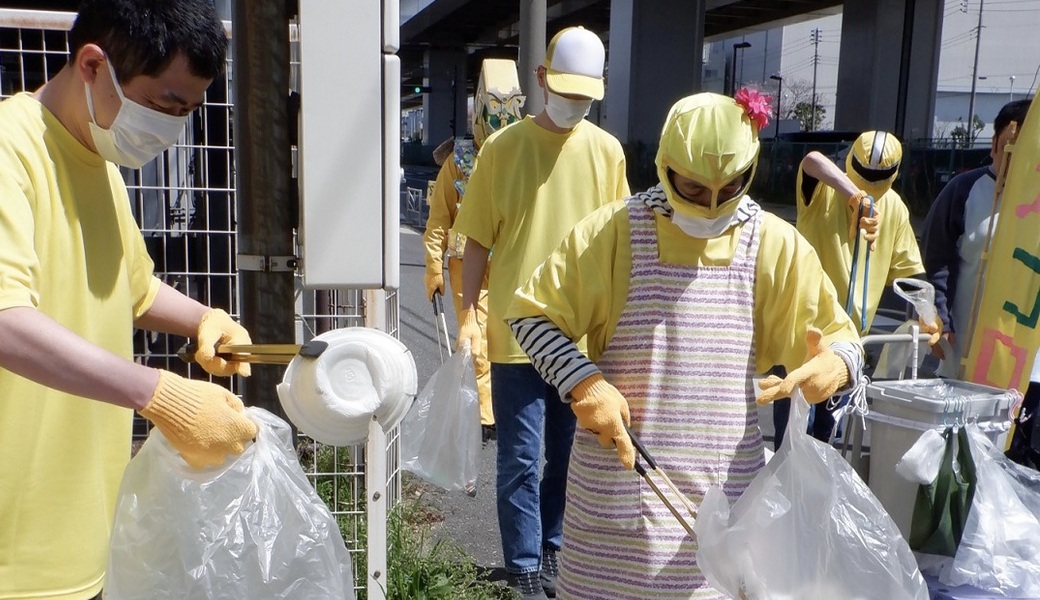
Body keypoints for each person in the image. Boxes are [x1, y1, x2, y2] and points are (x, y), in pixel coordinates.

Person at [504, 91, 864, 599]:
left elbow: (844, 338)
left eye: (730, 187)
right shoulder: (613, 231)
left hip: (722, 511)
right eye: (693, 188)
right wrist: (583, 381)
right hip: (617, 502)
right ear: (664, 166)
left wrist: (837, 363)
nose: (711, 203)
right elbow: (530, 313)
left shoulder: (774, 245)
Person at [0, 2, 257, 599]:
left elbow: (133, 290)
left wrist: (204, 318)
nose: (172, 128)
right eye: (167, 106)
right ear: (93, 64)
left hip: (80, 527)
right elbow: (6, 322)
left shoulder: (98, 159)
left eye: (188, 112)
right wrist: (160, 394)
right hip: (14, 550)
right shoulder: (10, 149)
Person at [453, 26, 630, 600]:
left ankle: (555, 551)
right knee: (522, 460)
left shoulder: (607, 152)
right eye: (565, 89)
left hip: (577, 339)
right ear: (540, 79)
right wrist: (467, 316)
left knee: (569, 459)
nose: (574, 103)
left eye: (585, 95)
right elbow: (476, 240)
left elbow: (621, 243)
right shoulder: (503, 150)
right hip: (514, 335)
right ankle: (524, 565)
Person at [774, 130, 940, 447]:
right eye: (862, 174)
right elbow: (812, 161)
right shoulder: (823, 190)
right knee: (791, 437)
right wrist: (853, 194)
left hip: (848, 343)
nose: (868, 184)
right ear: (850, 161)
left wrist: (928, 313)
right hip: (802, 332)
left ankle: (814, 495)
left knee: (825, 437)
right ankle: (785, 493)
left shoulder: (894, 207)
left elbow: (909, 270)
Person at [423, 58, 525, 441]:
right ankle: (486, 416)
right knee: (473, 338)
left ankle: (502, 408)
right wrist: (433, 265)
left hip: (512, 263)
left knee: (510, 340)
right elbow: (439, 219)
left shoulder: (523, 156)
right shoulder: (458, 160)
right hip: (466, 263)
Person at [921, 99, 1032, 377]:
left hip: (1027, 362)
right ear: (995, 143)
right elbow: (936, 261)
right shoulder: (964, 190)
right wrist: (941, 321)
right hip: (967, 353)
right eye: (1011, 146)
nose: (1017, 157)